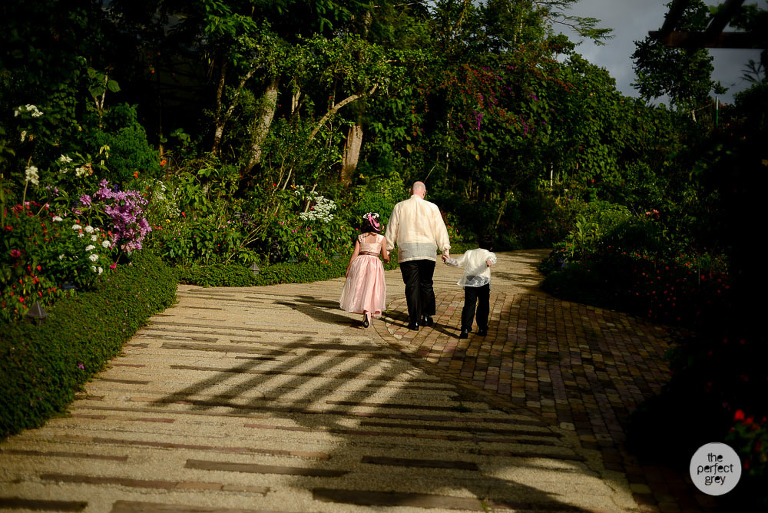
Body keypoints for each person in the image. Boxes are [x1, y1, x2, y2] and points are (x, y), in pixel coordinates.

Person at [385, 181, 451, 331]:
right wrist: (444, 249)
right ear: (424, 192)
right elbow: (440, 229)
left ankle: (414, 320)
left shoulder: (400, 206)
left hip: (407, 251)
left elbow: (392, 228)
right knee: (426, 283)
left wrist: (388, 249)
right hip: (427, 251)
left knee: (412, 286)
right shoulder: (432, 207)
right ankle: (427, 316)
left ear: (410, 191)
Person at [339, 212, 390, 328]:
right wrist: (388, 259)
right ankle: (368, 312)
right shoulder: (381, 238)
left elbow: (355, 253)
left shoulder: (360, 237)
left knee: (361, 286)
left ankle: (365, 312)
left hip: (361, 262)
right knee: (372, 288)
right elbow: (385, 256)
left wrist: (349, 268)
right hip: (374, 264)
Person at [443, 234, 497, 339]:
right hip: (483, 282)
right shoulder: (490, 254)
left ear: (478, 244)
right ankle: (482, 328)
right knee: (483, 305)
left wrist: (448, 260)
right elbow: (492, 259)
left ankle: (465, 329)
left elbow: (458, 262)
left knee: (469, 305)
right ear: (491, 247)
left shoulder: (470, 253)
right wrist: (489, 262)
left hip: (470, 282)